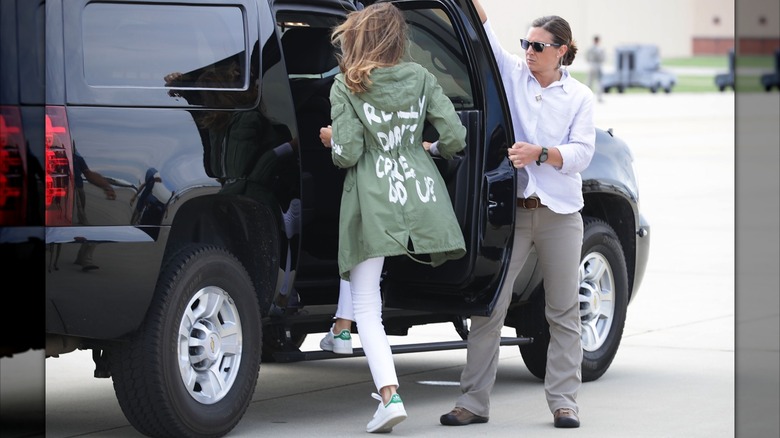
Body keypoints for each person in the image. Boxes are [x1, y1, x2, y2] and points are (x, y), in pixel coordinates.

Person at [438, 0, 595, 429]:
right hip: (515, 215)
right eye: (526, 43)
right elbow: (483, 31)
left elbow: (582, 153)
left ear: (562, 51)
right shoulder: (512, 73)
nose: (529, 51)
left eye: (539, 46)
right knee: (489, 307)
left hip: (561, 215)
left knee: (563, 312)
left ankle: (564, 402)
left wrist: (541, 153)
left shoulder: (580, 96)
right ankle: (472, 403)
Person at [318, 2, 467, 433]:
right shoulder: (421, 77)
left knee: (367, 303)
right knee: (372, 294)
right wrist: (429, 149)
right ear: (399, 38)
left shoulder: (348, 84)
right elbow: (455, 137)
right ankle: (352, 346)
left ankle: (389, 396)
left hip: (371, 200)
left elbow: (347, 153)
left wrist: (330, 139)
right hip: (419, 197)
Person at [586, 35, 605, 102]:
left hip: (591, 65)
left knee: (589, 82)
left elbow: (587, 57)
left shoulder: (590, 49)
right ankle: (599, 98)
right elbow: (603, 58)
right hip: (598, 65)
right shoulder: (600, 49)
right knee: (599, 82)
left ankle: (587, 97)